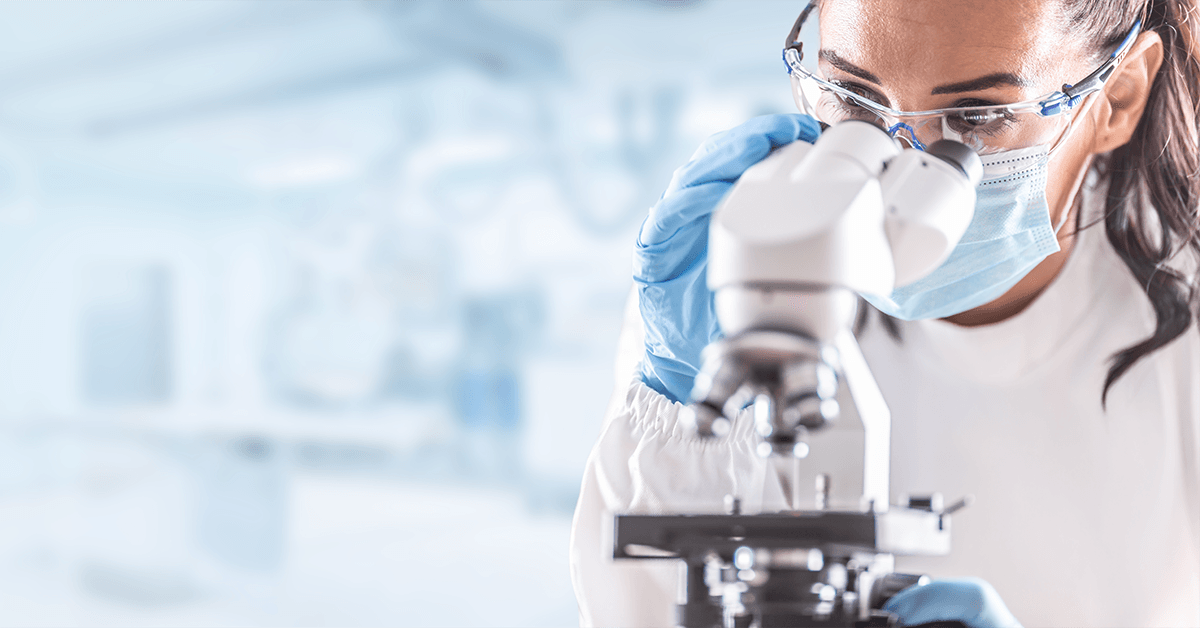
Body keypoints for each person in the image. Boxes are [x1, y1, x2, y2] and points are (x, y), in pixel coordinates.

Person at [569, 0, 1200, 626]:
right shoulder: (736, 285)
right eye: (856, 104)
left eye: (976, 115)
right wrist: (675, 407)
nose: (902, 163)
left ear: (1117, 96)